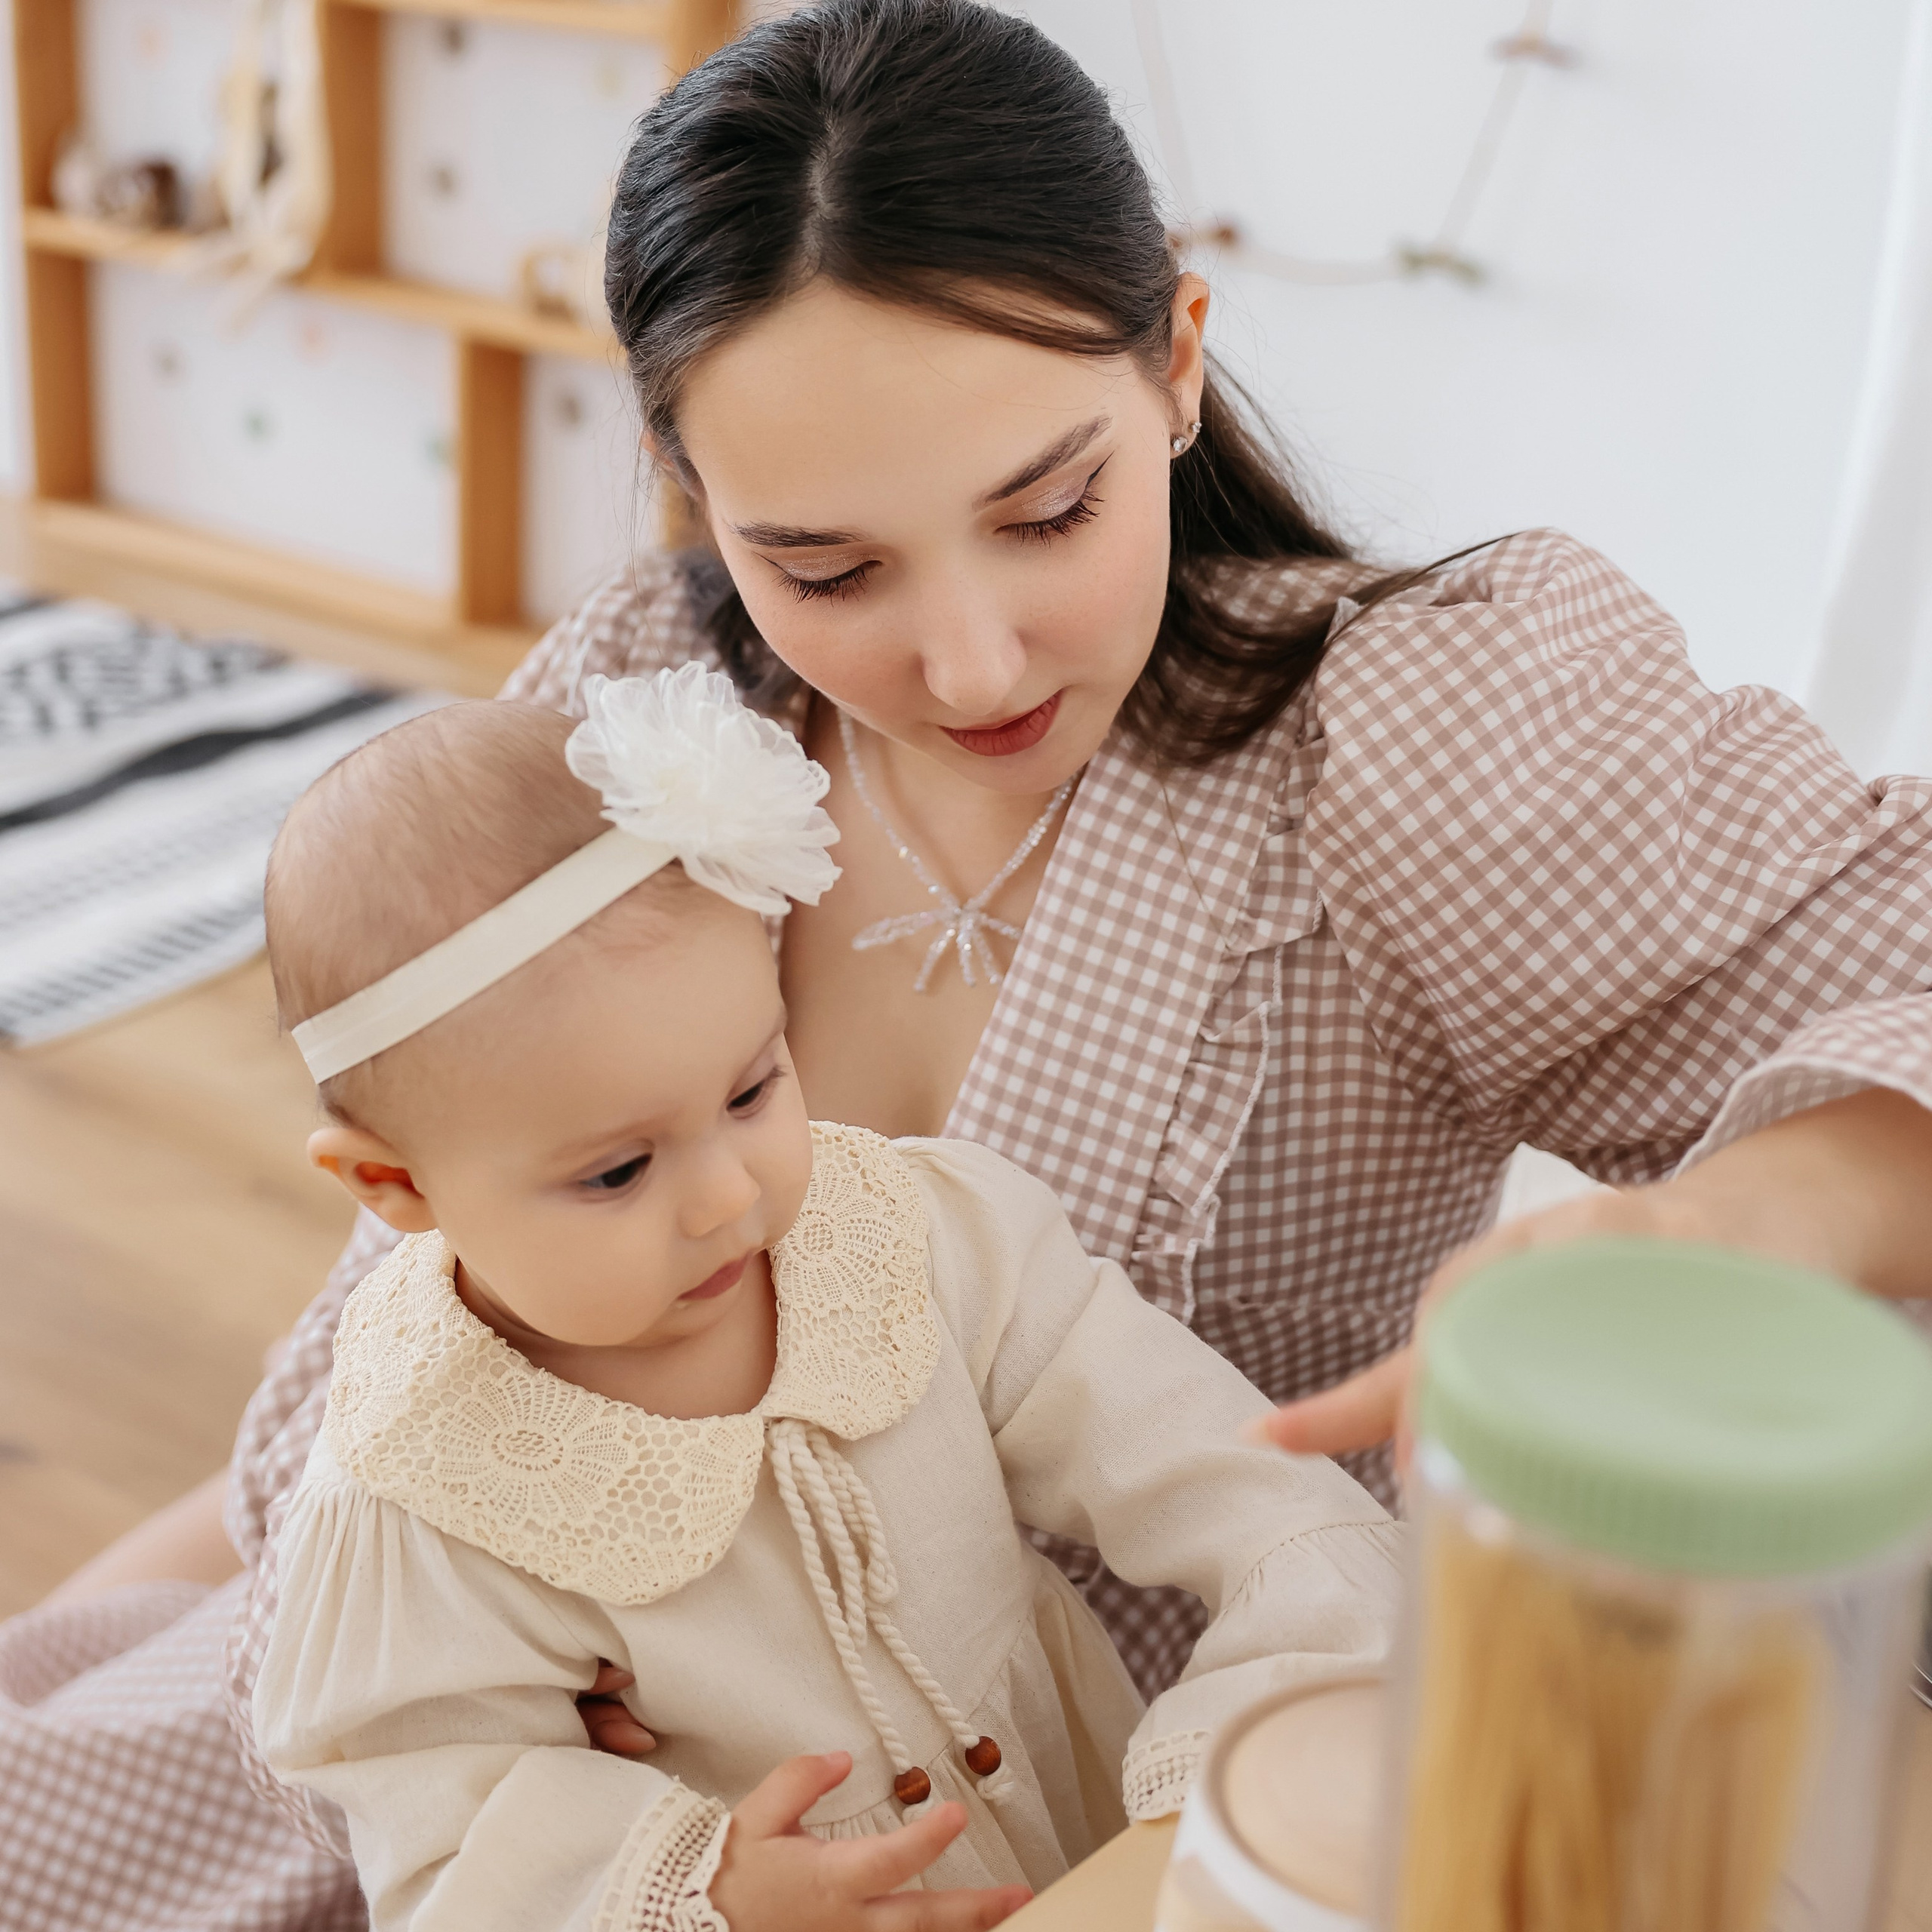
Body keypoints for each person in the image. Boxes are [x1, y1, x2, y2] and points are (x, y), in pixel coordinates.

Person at [3, 1, 1930, 1927]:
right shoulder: (626, 715)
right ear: (687, 491)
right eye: (826, 569)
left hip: (1163, 1827)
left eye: (1048, 511)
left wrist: (1739, 1223)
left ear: (1175, 362)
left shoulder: (1415, 735)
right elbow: (395, 1337)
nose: (974, 665)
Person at [250, 669, 1396, 1932]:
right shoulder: (425, 1491)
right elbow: (446, 1849)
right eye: (619, 1170)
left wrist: (1238, 1750)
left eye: (752, 1087)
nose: (726, 1193)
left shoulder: (918, 1237)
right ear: (391, 1181)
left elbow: (1229, 1477)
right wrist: (699, 1891)